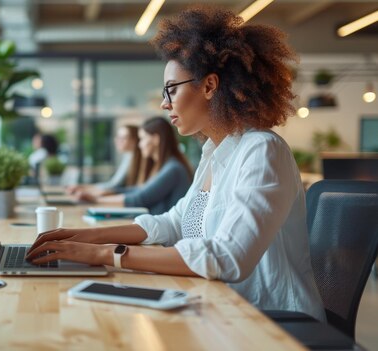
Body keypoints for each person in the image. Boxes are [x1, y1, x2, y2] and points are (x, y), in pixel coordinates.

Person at [26, 5, 325, 320]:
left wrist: (105, 255)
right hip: (220, 306)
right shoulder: (215, 152)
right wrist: (85, 236)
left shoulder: (263, 150)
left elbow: (227, 257)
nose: (164, 103)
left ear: (209, 86)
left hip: (270, 321)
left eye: (171, 89)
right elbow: (173, 223)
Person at [73, 117, 191, 215]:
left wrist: (96, 200)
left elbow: (139, 199)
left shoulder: (173, 168)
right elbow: (138, 189)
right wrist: (102, 194)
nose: (139, 145)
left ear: (156, 139)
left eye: (142, 139)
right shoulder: (164, 166)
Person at [67, 125, 141, 195]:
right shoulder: (128, 156)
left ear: (135, 140)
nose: (118, 141)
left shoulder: (132, 157)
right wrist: (86, 188)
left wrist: (86, 189)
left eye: (124, 138)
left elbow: (114, 185)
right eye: (118, 137)